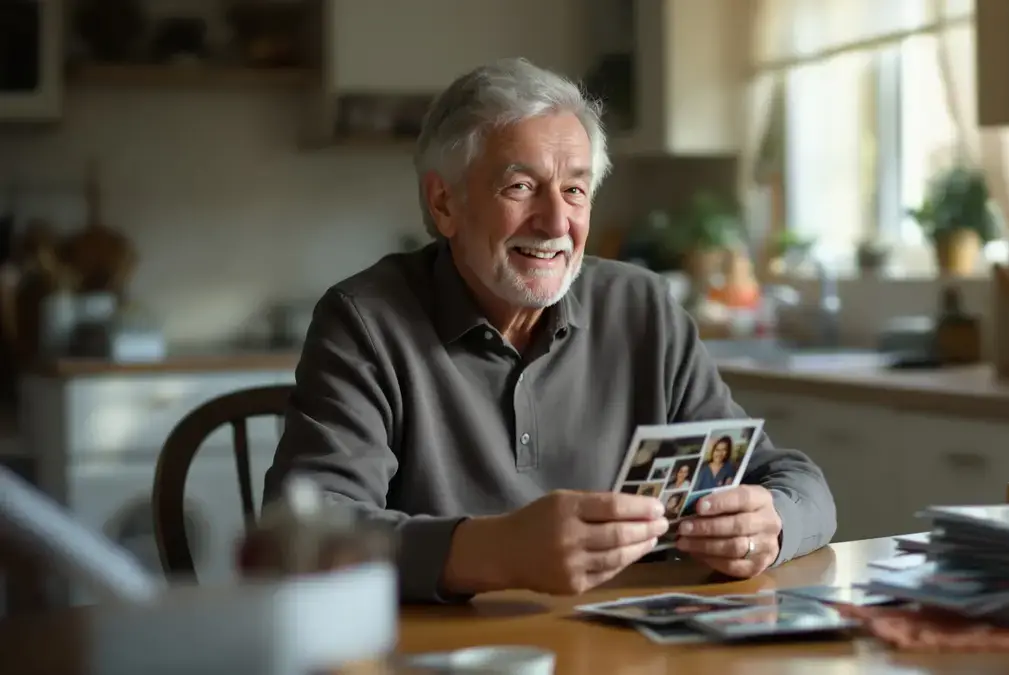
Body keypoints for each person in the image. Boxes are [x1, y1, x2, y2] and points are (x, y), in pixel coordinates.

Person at [264, 57, 836, 604]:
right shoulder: (365, 319)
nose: (556, 221)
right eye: (520, 187)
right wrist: (494, 552)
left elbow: (795, 481)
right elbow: (304, 536)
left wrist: (771, 522)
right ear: (444, 203)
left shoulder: (642, 308)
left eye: (575, 189)